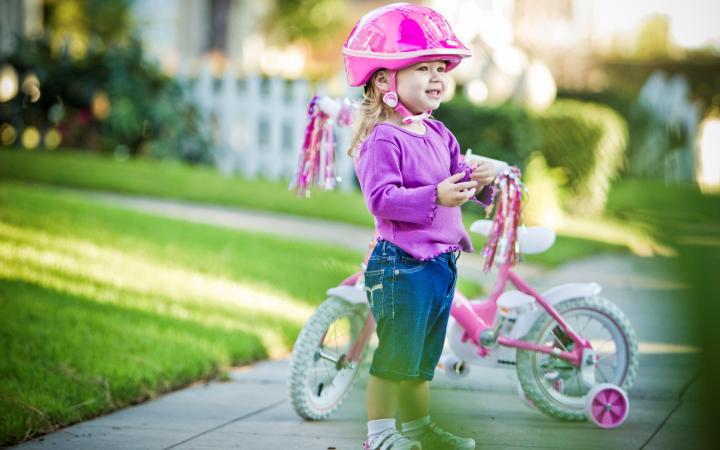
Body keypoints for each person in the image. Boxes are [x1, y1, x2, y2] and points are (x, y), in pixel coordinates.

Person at [343, 4, 496, 450]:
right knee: (395, 356)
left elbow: (458, 184)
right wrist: (436, 196)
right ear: (385, 80)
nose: (436, 77)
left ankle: (417, 426)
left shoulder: (439, 134)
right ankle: (379, 436)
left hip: (439, 265)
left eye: (439, 68)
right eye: (422, 67)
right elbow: (381, 200)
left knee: (423, 358)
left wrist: (481, 185)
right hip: (401, 266)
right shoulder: (382, 140)